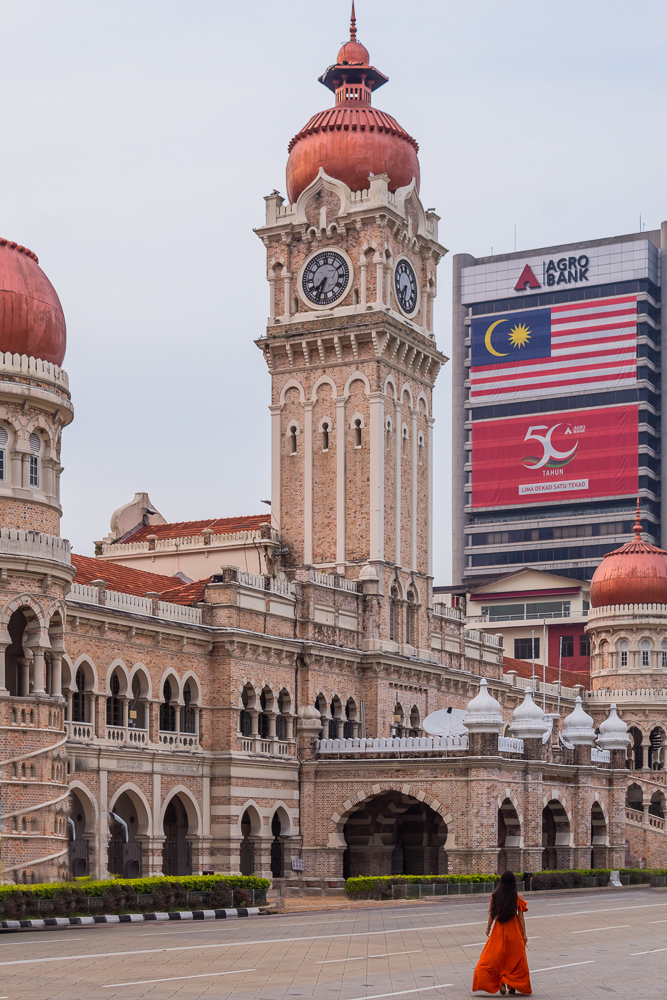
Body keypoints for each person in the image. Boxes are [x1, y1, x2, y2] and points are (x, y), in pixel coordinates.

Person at [472, 870, 532, 996]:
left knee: (493, 956)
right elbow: (521, 917)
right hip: (513, 930)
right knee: (515, 958)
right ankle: (512, 984)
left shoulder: (495, 895)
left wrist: (488, 927)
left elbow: (492, 914)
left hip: (499, 929)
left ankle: (500, 981)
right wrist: (524, 934)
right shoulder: (517, 896)